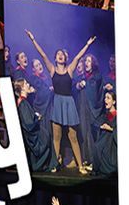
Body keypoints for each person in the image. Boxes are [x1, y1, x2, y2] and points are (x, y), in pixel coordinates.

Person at [29, 32, 96, 173]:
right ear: (55, 58)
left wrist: (87, 45)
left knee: (73, 136)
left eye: (62, 54)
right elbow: (43, 55)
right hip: (58, 103)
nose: (60, 55)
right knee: (57, 137)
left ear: (65, 58)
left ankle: (80, 166)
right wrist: (33, 39)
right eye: (58, 54)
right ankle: (55, 164)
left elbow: (78, 57)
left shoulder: (70, 70)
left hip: (69, 103)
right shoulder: (52, 70)